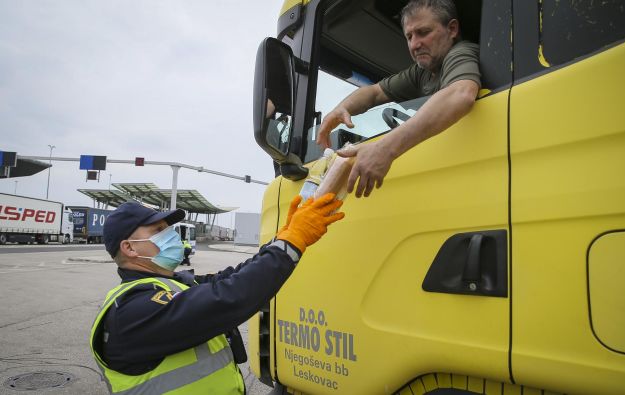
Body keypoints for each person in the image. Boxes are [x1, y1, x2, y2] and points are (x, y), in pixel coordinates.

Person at [90, 195, 344, 394]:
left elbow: (231, 278)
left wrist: (281, 240)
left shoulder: (174, 285)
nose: (171, 234)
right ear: (130, 248)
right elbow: (229, 297)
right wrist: (293, 243)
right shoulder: (131, 310)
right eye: (158, 229)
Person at [316, 0, 481, 198]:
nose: (414, 45)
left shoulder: (460, 52)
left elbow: (461, 94)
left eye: (423, 32)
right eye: (409, 36)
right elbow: (375, 92)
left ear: (452, 29)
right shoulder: (422, 72)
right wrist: (341, 108)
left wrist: (385, 149)